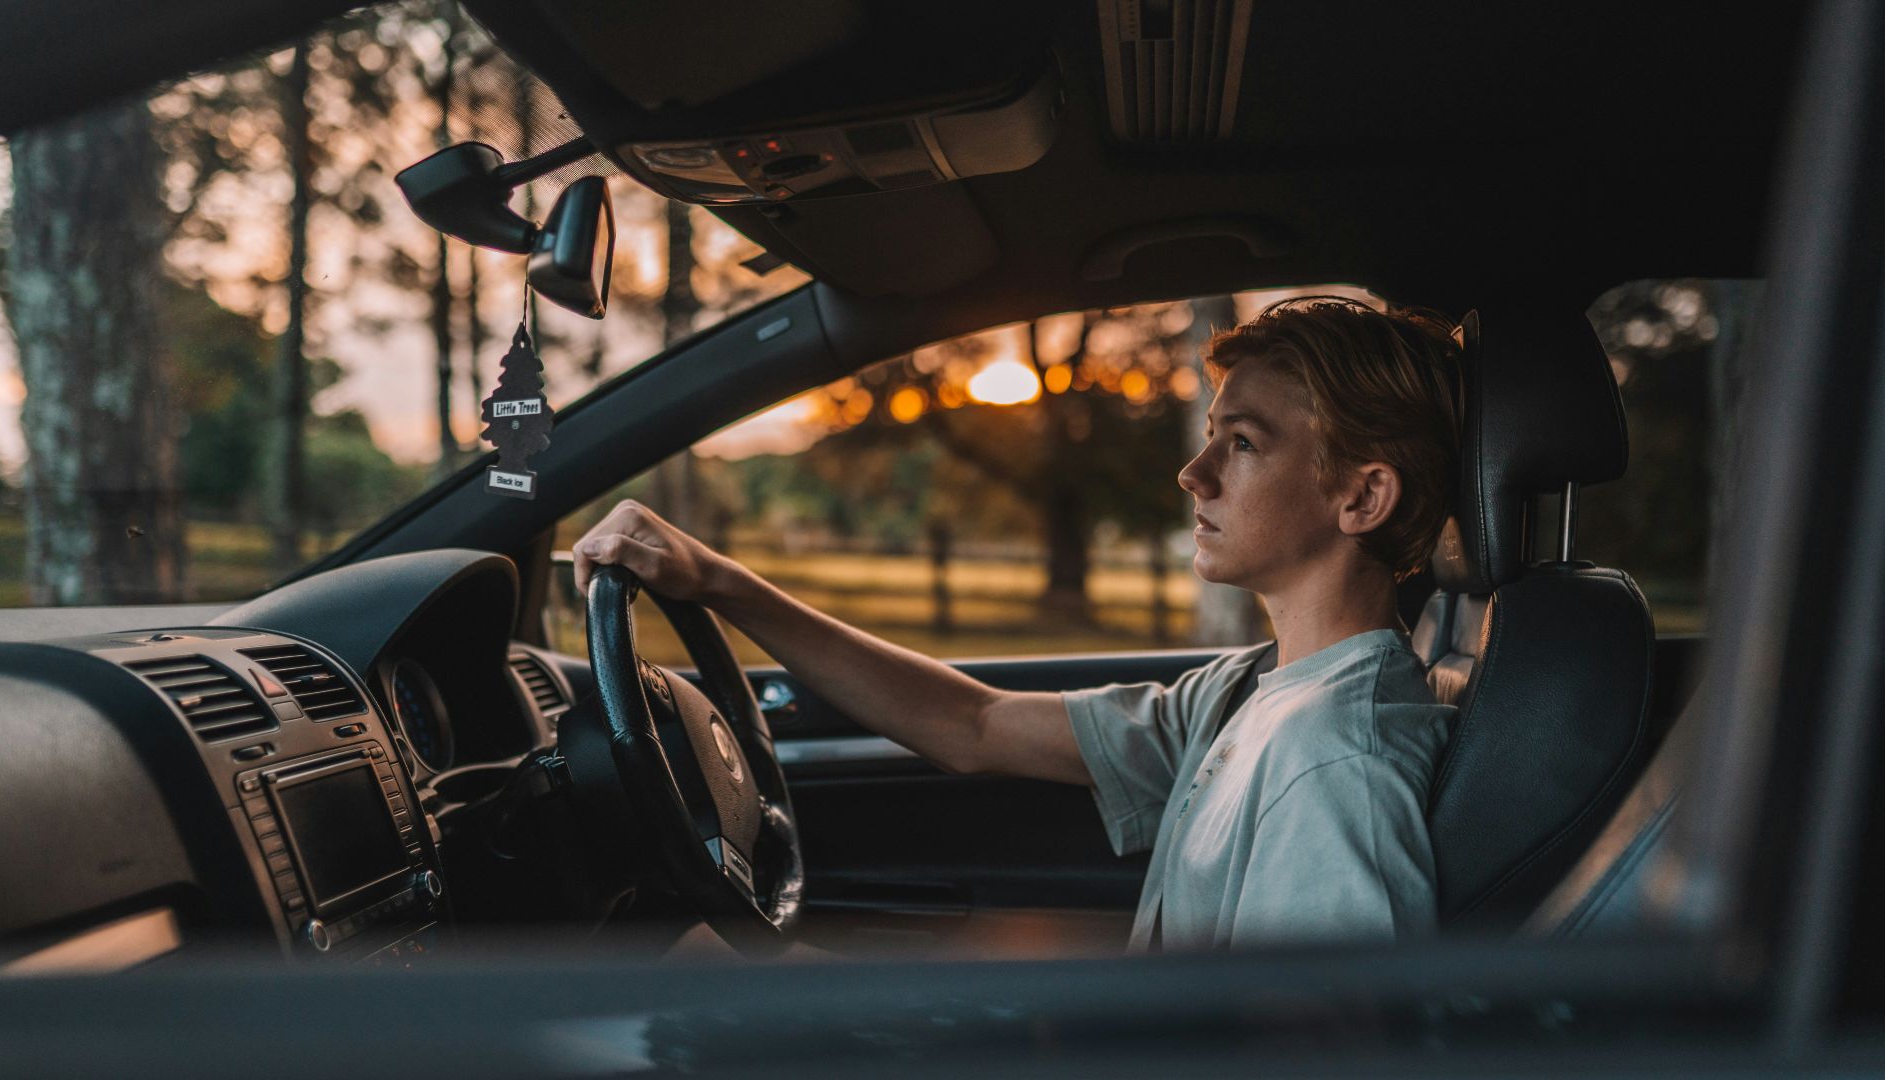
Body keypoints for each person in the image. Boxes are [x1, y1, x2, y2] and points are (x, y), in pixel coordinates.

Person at [572, 296, 1465, 951]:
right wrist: (721, 583)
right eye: (1210, 435)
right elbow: (976, 724)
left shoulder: (1335, 766)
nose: (1193, 474)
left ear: (1361, 495)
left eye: (1242, 442)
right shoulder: (1248, 691)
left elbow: (1323, 1050)